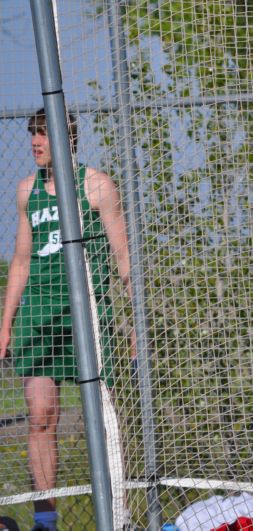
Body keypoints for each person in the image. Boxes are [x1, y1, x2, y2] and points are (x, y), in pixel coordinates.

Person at [0, 108, 132, 531]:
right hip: (40, 312)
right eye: (32, 137)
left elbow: (123, 257)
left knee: (102, 414)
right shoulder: (27, 190)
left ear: (64, 138)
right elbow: (20, 261)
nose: (35, 144)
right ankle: (46, 520)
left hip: (87, 309)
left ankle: (116, 515)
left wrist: (132, 323)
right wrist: (5, 324)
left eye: (42, 136)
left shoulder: (96, 185)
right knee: (40, 414)